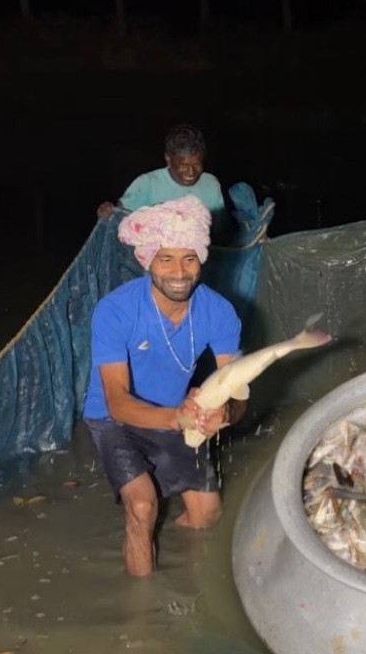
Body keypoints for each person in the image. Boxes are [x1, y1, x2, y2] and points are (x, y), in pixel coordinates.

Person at [84, 195, 245, 576]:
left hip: (175, 414)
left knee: (207, 517)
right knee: (142, 506)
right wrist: (177, 418)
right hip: (113, 418)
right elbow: (117, 401)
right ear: (148, 261)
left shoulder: (220, 312)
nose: (179, 272)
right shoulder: (115, 310)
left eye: (189, 258)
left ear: (201, 259)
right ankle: (144, 604)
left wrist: (225, 412)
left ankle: (188, 580)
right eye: (165, 259)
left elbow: (238, 392)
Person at [97, 124, 229, 238]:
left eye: (197, 165)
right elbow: (117, 220)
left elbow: (220, 232)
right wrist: (107, 214)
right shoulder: (147, 184)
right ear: (168, 159)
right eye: (184, 165)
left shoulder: (211, 184)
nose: (191, 172)